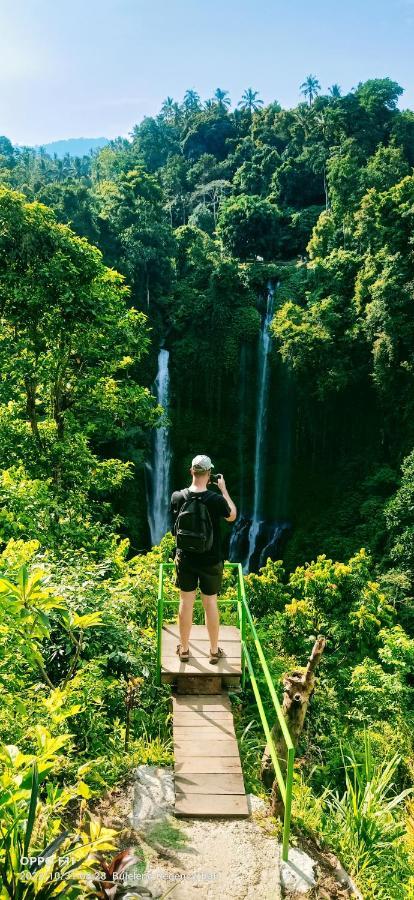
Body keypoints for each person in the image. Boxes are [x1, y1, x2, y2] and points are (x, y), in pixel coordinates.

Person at [170, 454, 237, 664]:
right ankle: (214, 651)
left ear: (191, 471)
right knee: (210, 603)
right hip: (211, 560)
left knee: (185, 602)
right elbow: (232, 516)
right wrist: (223, 489)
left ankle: (184, 649)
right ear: (209, 475)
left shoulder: (178, 497)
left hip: (186, 559)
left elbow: (175, 528)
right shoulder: (215, 500)